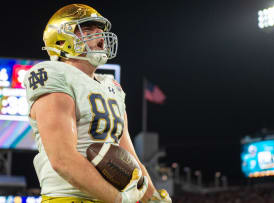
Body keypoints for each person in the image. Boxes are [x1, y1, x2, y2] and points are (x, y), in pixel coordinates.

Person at [24, 3, 172, 203]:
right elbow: (62, 159)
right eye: (87, 29)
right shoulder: (53, 73)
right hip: (69, 197)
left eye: (100, 30)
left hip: (111, 197)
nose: (99, 35)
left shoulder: (112, 87)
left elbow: (128, 154)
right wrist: (119, 200)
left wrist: (152, 197)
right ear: (61, 39)